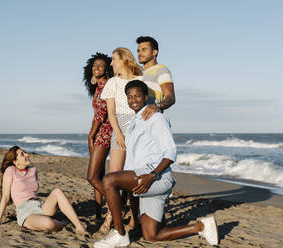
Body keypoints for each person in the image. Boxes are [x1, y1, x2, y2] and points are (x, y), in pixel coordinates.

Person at [94, 80, 219, 248]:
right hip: (143, 180)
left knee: (109, 180)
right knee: (152, 235)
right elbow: (133, 163)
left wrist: (152, 176)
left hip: (156, 178)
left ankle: (119, 234)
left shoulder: (156, 118)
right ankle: (202, 226)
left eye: (137, 95)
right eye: (129, 97)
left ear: (146, 97)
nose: (133, 100)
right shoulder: (134, 123)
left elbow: (170, 152)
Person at [0, 146, 87, 235]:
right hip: (25, 210)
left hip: (40, 205)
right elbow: (5, 197)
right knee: (49, 224)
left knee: (57, 191)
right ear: (15, 162)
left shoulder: (33, 170)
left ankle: (79, 226)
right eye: (22, 154)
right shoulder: (11, 170)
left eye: (25, 152)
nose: (27, 155)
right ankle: (63, 223)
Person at [99, 47, 143, 232]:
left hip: (138, 127)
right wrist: (118, 133)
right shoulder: (112, 83)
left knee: (134, 175)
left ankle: (134, 218)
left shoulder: (141, 81)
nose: (111, 63)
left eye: (113, 59)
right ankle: (111, 217)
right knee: (114, 174)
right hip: (119, 128)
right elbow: (110, 113)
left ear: (124, 59)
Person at [83, 53, 114, 221]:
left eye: (101, 66)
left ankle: (116, 204)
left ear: (107, 69)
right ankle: (97, 214)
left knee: (92, 177)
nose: (97, 68)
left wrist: (91, 134)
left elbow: (101, 113)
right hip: (99, 132)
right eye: (95, 65)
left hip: (105, 132)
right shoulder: (98, 87)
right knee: (99, 175)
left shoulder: (108, 85)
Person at [136, 36, 176, 120]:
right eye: (138, 50)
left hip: (152, 119)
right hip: (138, 120)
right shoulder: (139, 73)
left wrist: (156, 106)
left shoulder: (161, 69)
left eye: (144, 50)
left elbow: (170, 98)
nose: (139, 53)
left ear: (154, 52)